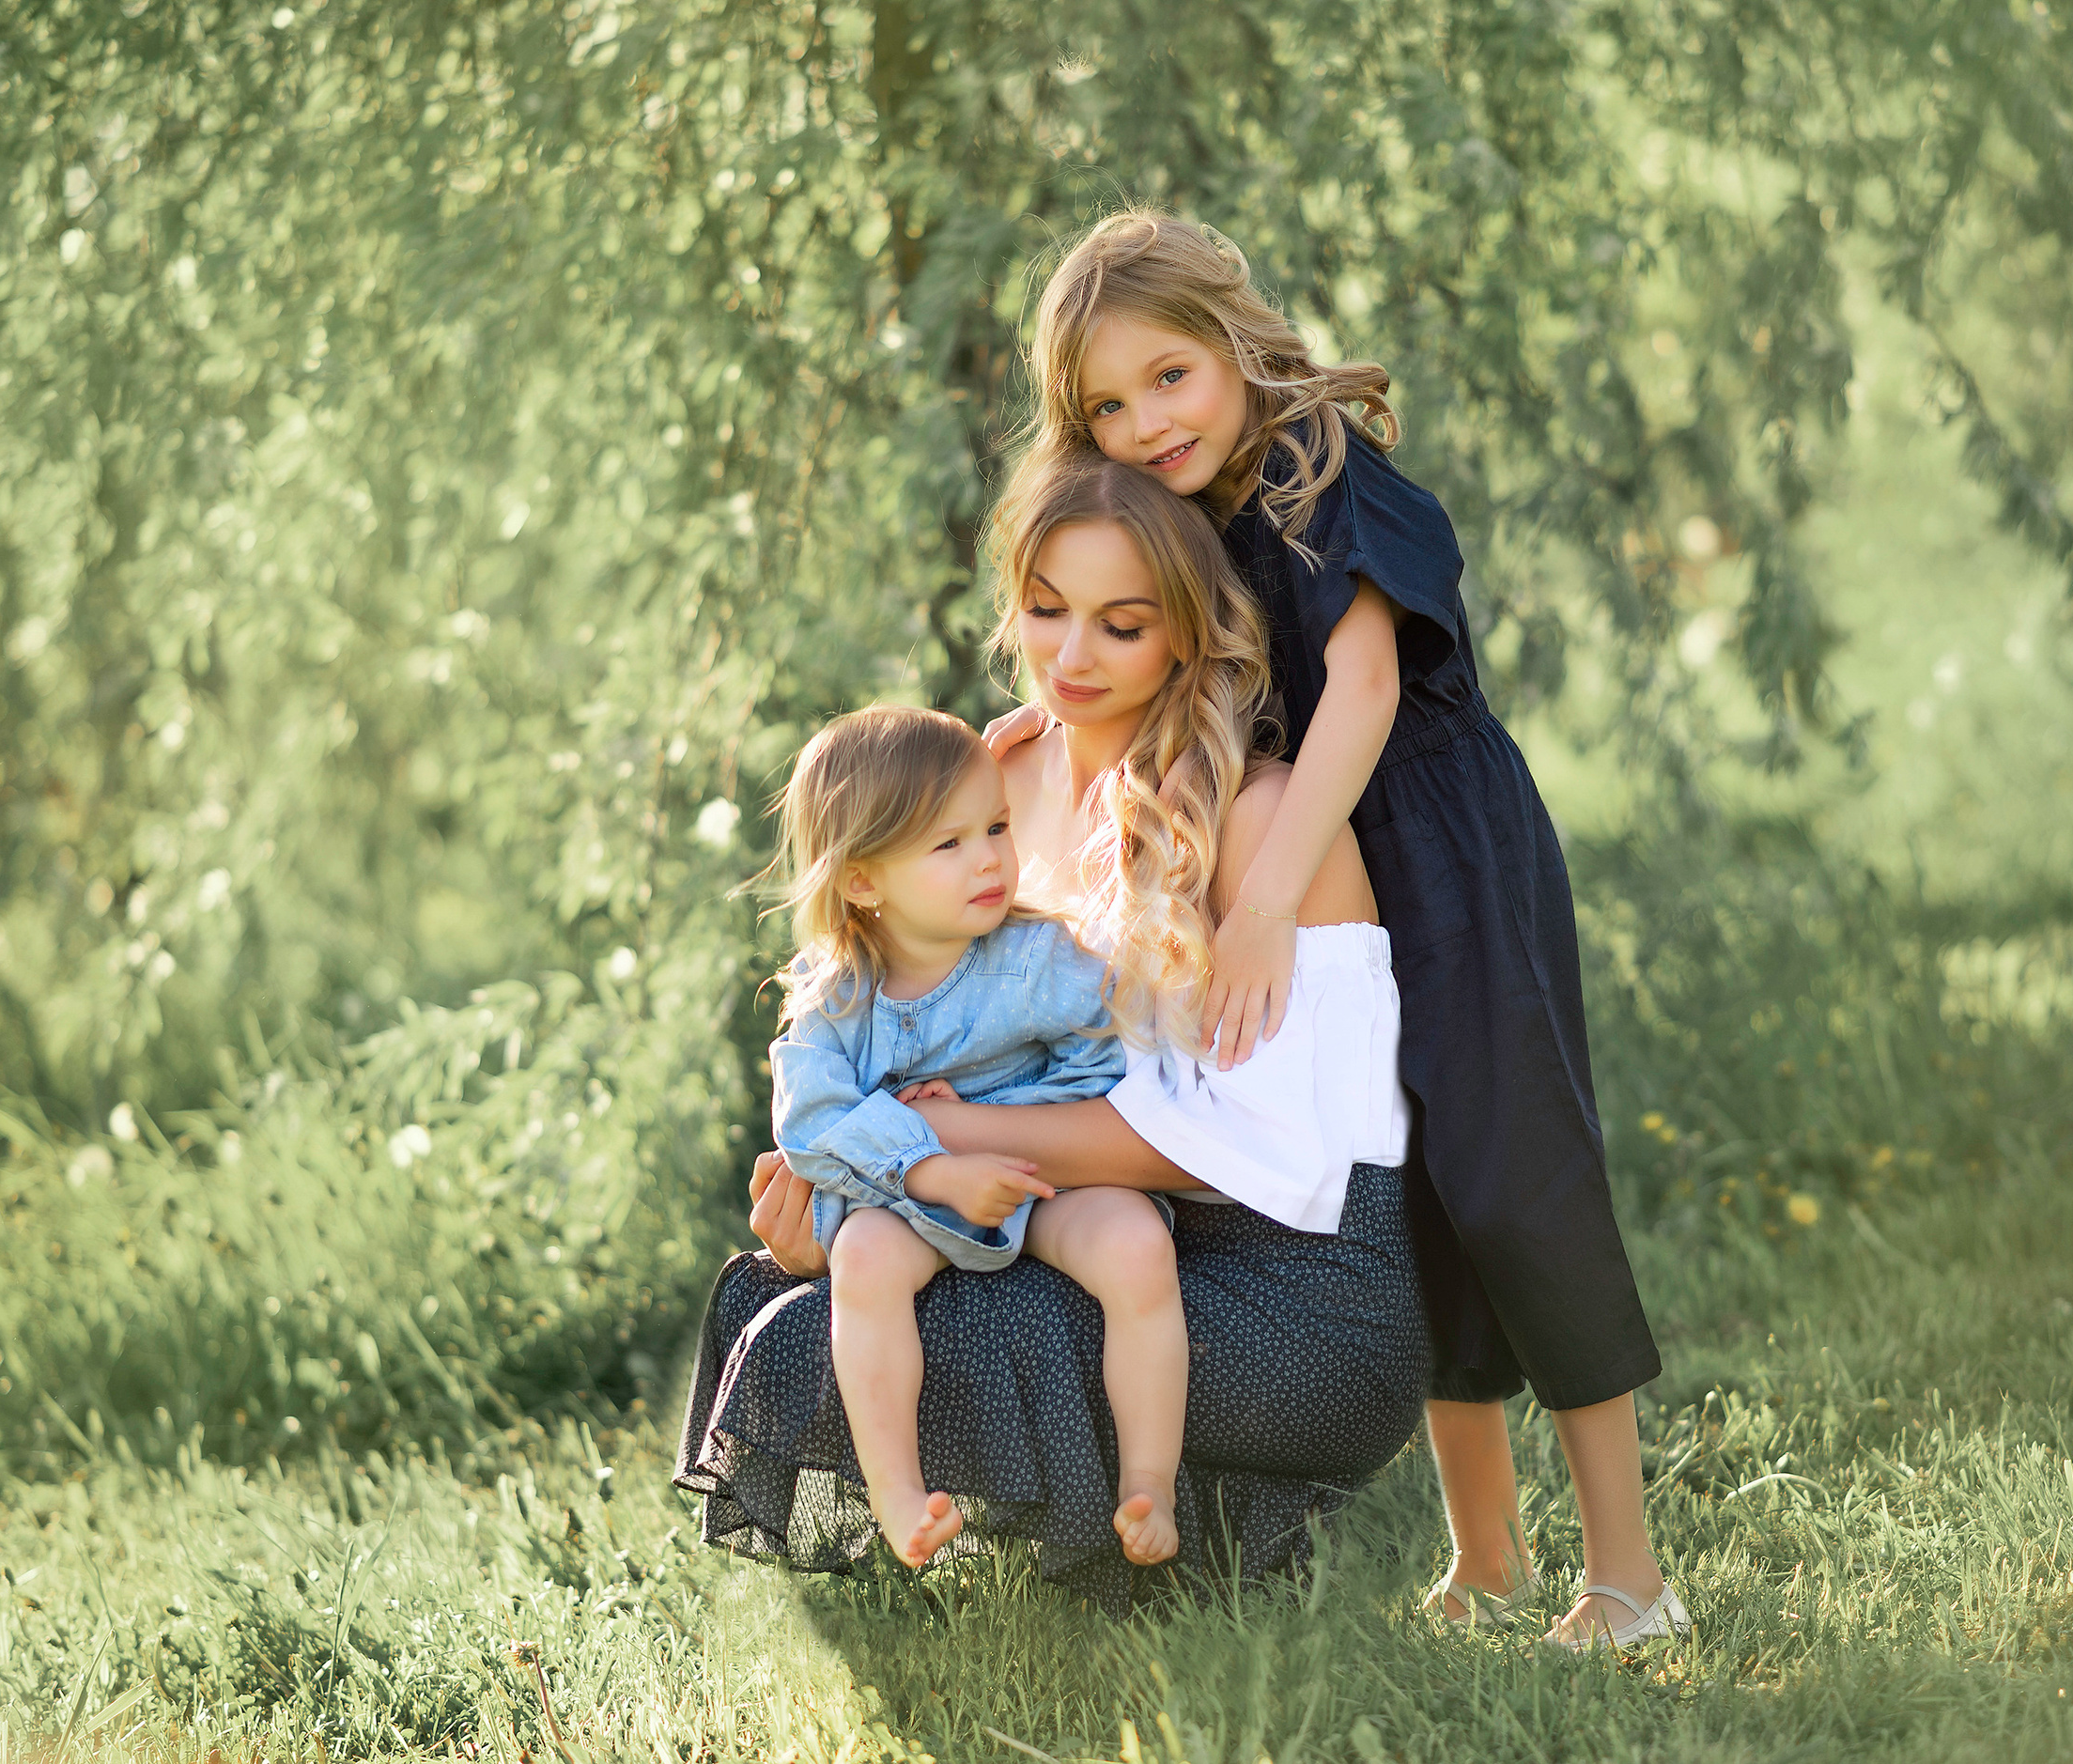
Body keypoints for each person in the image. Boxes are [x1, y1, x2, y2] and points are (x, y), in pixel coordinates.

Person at [989, 210, 1687, 1651]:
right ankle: (1483, 1561)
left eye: (1169, 375)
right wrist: (1057, 734)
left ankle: (1630, 1575)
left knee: (1513, 1180)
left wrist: (1255, 903)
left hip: (1443, 847)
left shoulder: (1324, 473)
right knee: (1410, 1193)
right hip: (1331, 871)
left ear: (1239, 341)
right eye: (1106, 406)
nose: (1144, 421)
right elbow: (1152, 657)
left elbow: (1360, 694)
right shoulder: (1186, 517)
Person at [678, 454, 1429, 1617]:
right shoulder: (996, 776)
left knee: (824, 1340)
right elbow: (897, 1018)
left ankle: (1173, 1519)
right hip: (1083, 1222)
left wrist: (949, 1139)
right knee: (781, 1299)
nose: (1070, 658)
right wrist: (861, 1186)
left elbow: (1263, 1154)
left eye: (1119, 626)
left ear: (1183, 634)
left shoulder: (1265, 820)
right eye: (1043, 610)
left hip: (1297, 1285)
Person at [765, 704, 1186, 1569]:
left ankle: (1152, 1484)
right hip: (908, 1201)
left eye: (995, 826)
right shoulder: (834, 993)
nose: (990, 857)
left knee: (1139, 1246)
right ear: (863, 882)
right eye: (947, 844)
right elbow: (811, 1119)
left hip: (1044, 1181)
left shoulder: (1038, 957)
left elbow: (1111, 1062)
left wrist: (1005, 1116)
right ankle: (898, 1494)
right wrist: (929, 1168)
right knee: (864, 1264)